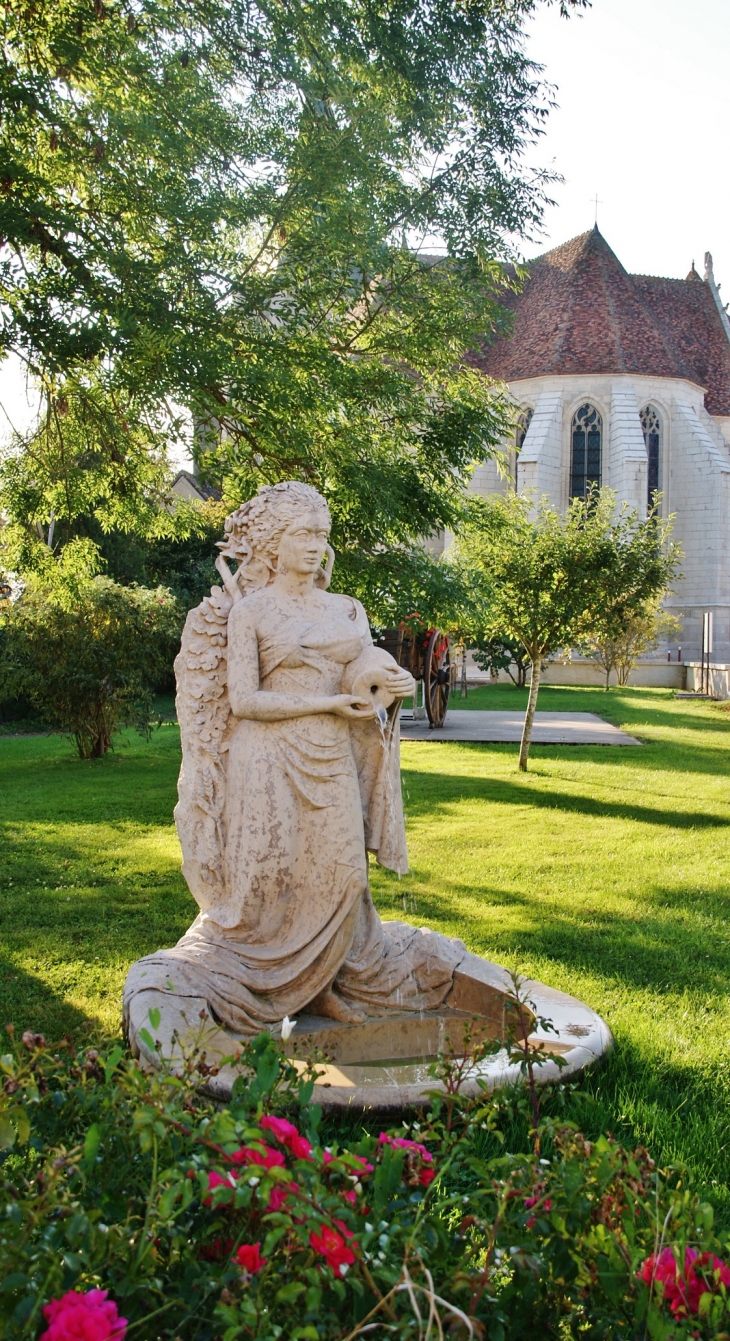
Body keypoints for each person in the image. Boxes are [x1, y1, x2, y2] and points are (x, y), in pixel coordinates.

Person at [124, 482, 464, 1039]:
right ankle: (286, 989)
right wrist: (326, 702)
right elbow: (245, 701)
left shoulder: (348, 609)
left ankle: (323, 981)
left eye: (321, 535)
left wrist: (386, 677)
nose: (314, 546)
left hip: (329, 752)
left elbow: (362, 664)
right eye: (302, 534)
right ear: (273, 544)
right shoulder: (251, 611)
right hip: (266, 755)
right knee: (270, 881)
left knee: (347, 874)